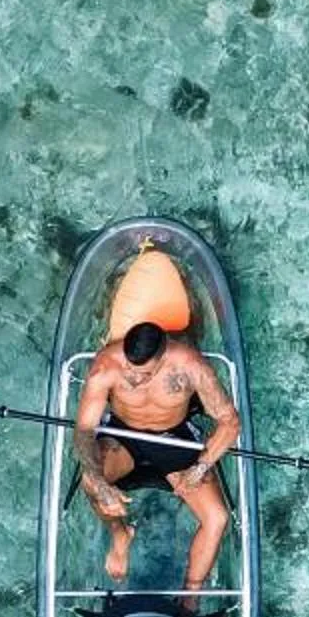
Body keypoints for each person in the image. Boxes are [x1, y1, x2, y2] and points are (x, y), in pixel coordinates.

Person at [73, 247, 240, 591]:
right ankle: (121, 534)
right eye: (131, 371)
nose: (134, 380)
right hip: (123, 437)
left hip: (175, 440)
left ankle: (191, 596)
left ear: (164, 356)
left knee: (217, 518)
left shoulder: (190, 365)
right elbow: (85, 430)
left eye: (145, 373)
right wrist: (100, 480)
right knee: (92, 484)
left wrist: (200, 468)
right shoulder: (107, 365)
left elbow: (229, 422)